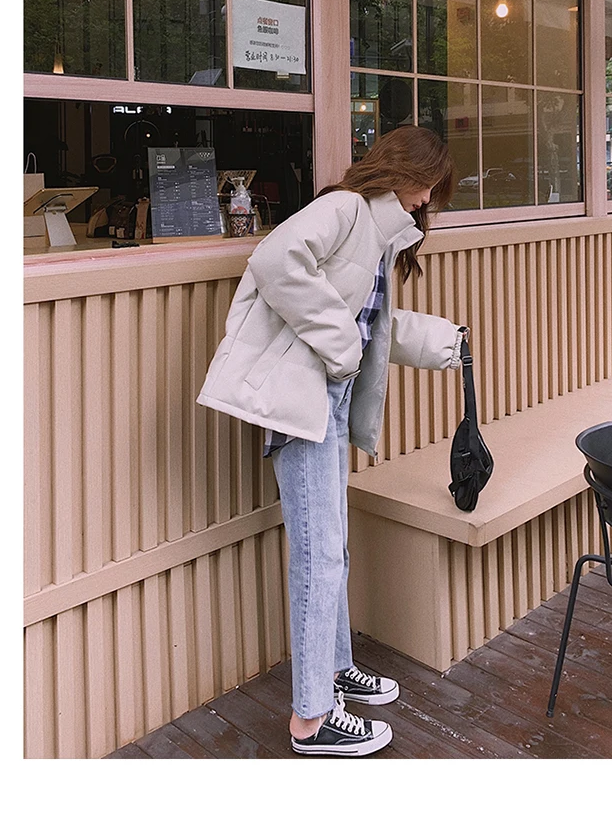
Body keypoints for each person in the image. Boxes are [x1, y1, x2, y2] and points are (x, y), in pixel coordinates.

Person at [197, 126, 469, 757]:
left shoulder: (377, 232)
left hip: (328, 399)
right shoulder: (345, 208)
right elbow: (275, 262)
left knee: (331, 548)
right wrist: (343, 348)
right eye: (428, 186)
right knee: (319, 554)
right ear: (403, 172)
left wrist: (443, 342)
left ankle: (336, 669)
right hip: (304, 402)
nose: (427, 201)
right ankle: (312, 718)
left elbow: (374, 325)